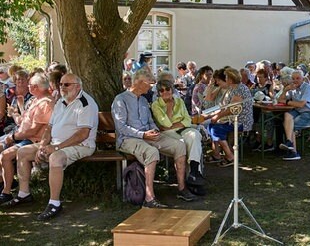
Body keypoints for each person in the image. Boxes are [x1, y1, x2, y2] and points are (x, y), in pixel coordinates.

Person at [5, 74, 97, 221]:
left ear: (78, 86)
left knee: (55, 157)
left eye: (67, 85)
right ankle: (24, 194)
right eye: (60, 84)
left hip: (81, 145)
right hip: (55, 143)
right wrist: (42, 146)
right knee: (23, 152)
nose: (62, 87)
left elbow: (83, 134)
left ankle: (54, 203)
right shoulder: (61, 102)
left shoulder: (85, 103)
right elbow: (49, 127)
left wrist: (55, 148)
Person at [112, 69, 196, 208]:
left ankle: (182, 188)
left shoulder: (144, 100)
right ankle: (149, 198)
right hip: (128, 139)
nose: (152, 87)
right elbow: (121, 127)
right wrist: (143, 135)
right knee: (152, 152)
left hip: (148, 135)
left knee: (180, 145)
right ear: (139, 82)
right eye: (150, 83)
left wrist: (154, 130)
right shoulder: (120, 100)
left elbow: (150, 121)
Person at [0, 74, 54, 204]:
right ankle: (5, 185)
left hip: (33, 140)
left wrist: (12, 137)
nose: (28, 86)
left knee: (5, 156)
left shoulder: (45, 103)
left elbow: (33, 130)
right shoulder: (37, 100)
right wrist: (15, 113)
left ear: (35, 87)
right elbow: (24, 121)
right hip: (23, 136)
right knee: (2, 149)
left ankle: (6, 191)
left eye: (29, 84)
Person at [151, 80, 206, 194]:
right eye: (161, 90)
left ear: (172, 89)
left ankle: (194, 173)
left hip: (183, 129)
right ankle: (194, 180)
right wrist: (169, 108)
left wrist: (175, 124)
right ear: (158, 93)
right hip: (168, 133)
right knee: (185, 144)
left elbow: (187, 119)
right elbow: (165, 124)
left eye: (167, 89)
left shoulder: (179, 101)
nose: (165, 92)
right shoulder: (156, 105)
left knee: (195, 136)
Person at [207, 68, 253, 167]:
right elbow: (224, 107)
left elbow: (231, 109)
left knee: (216, 129)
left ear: (231, 79)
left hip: (241, 121)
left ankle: (230, 156)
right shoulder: (233, 88)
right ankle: (216, 154)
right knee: (211, 126)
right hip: (233, 119)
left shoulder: (240, 89)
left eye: (226, 77)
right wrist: (213, 115)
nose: (225, 79)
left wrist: (217, 116)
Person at [278, 70, 310, 161]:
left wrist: (287, 101)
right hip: (300, 111)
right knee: (287, 115)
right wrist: (285, 90)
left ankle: (294, 152)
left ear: (302, 79)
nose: (295, 80)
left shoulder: (307, 87)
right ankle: (289, 143)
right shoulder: (293, 88)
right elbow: (279, 99)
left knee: (291, 125)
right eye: (293, 79)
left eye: (298, 78)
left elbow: (301, 104)